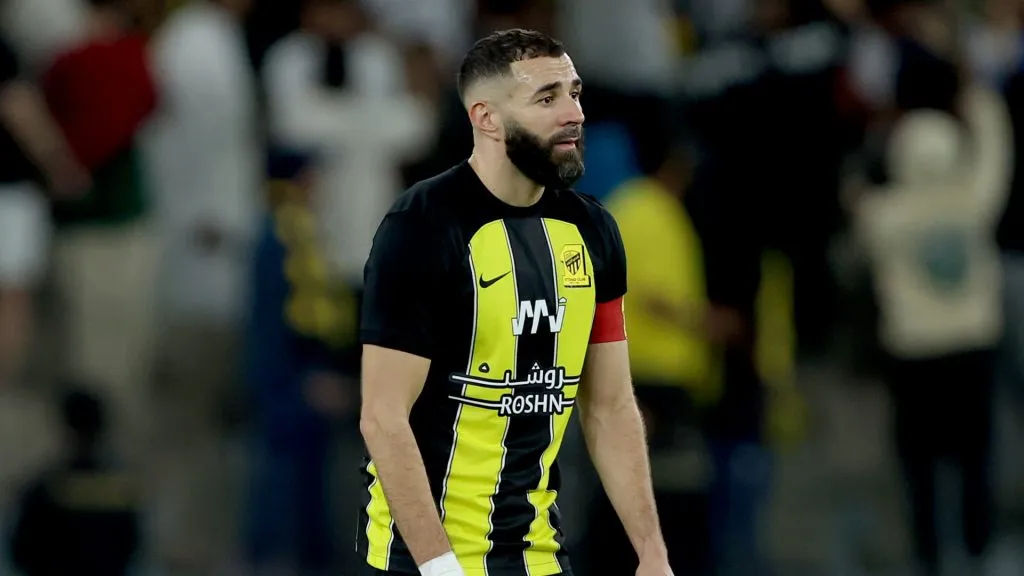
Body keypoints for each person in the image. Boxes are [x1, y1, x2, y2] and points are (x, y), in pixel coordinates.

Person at [358, 29, 672, 576]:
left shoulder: (593, 232)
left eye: (575, 93)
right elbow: (384, 417)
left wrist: (651, 553)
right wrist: (439, 568)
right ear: (486, 118)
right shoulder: (423, 227)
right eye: (547, 98)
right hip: (420, 563)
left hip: (539, 559)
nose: (572, 113)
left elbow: (610, 407)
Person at [8, 387, 140, 576]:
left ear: (65, 427)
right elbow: (130, 546)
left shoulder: (47, 488)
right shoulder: (118, 489)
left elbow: (22, 551)